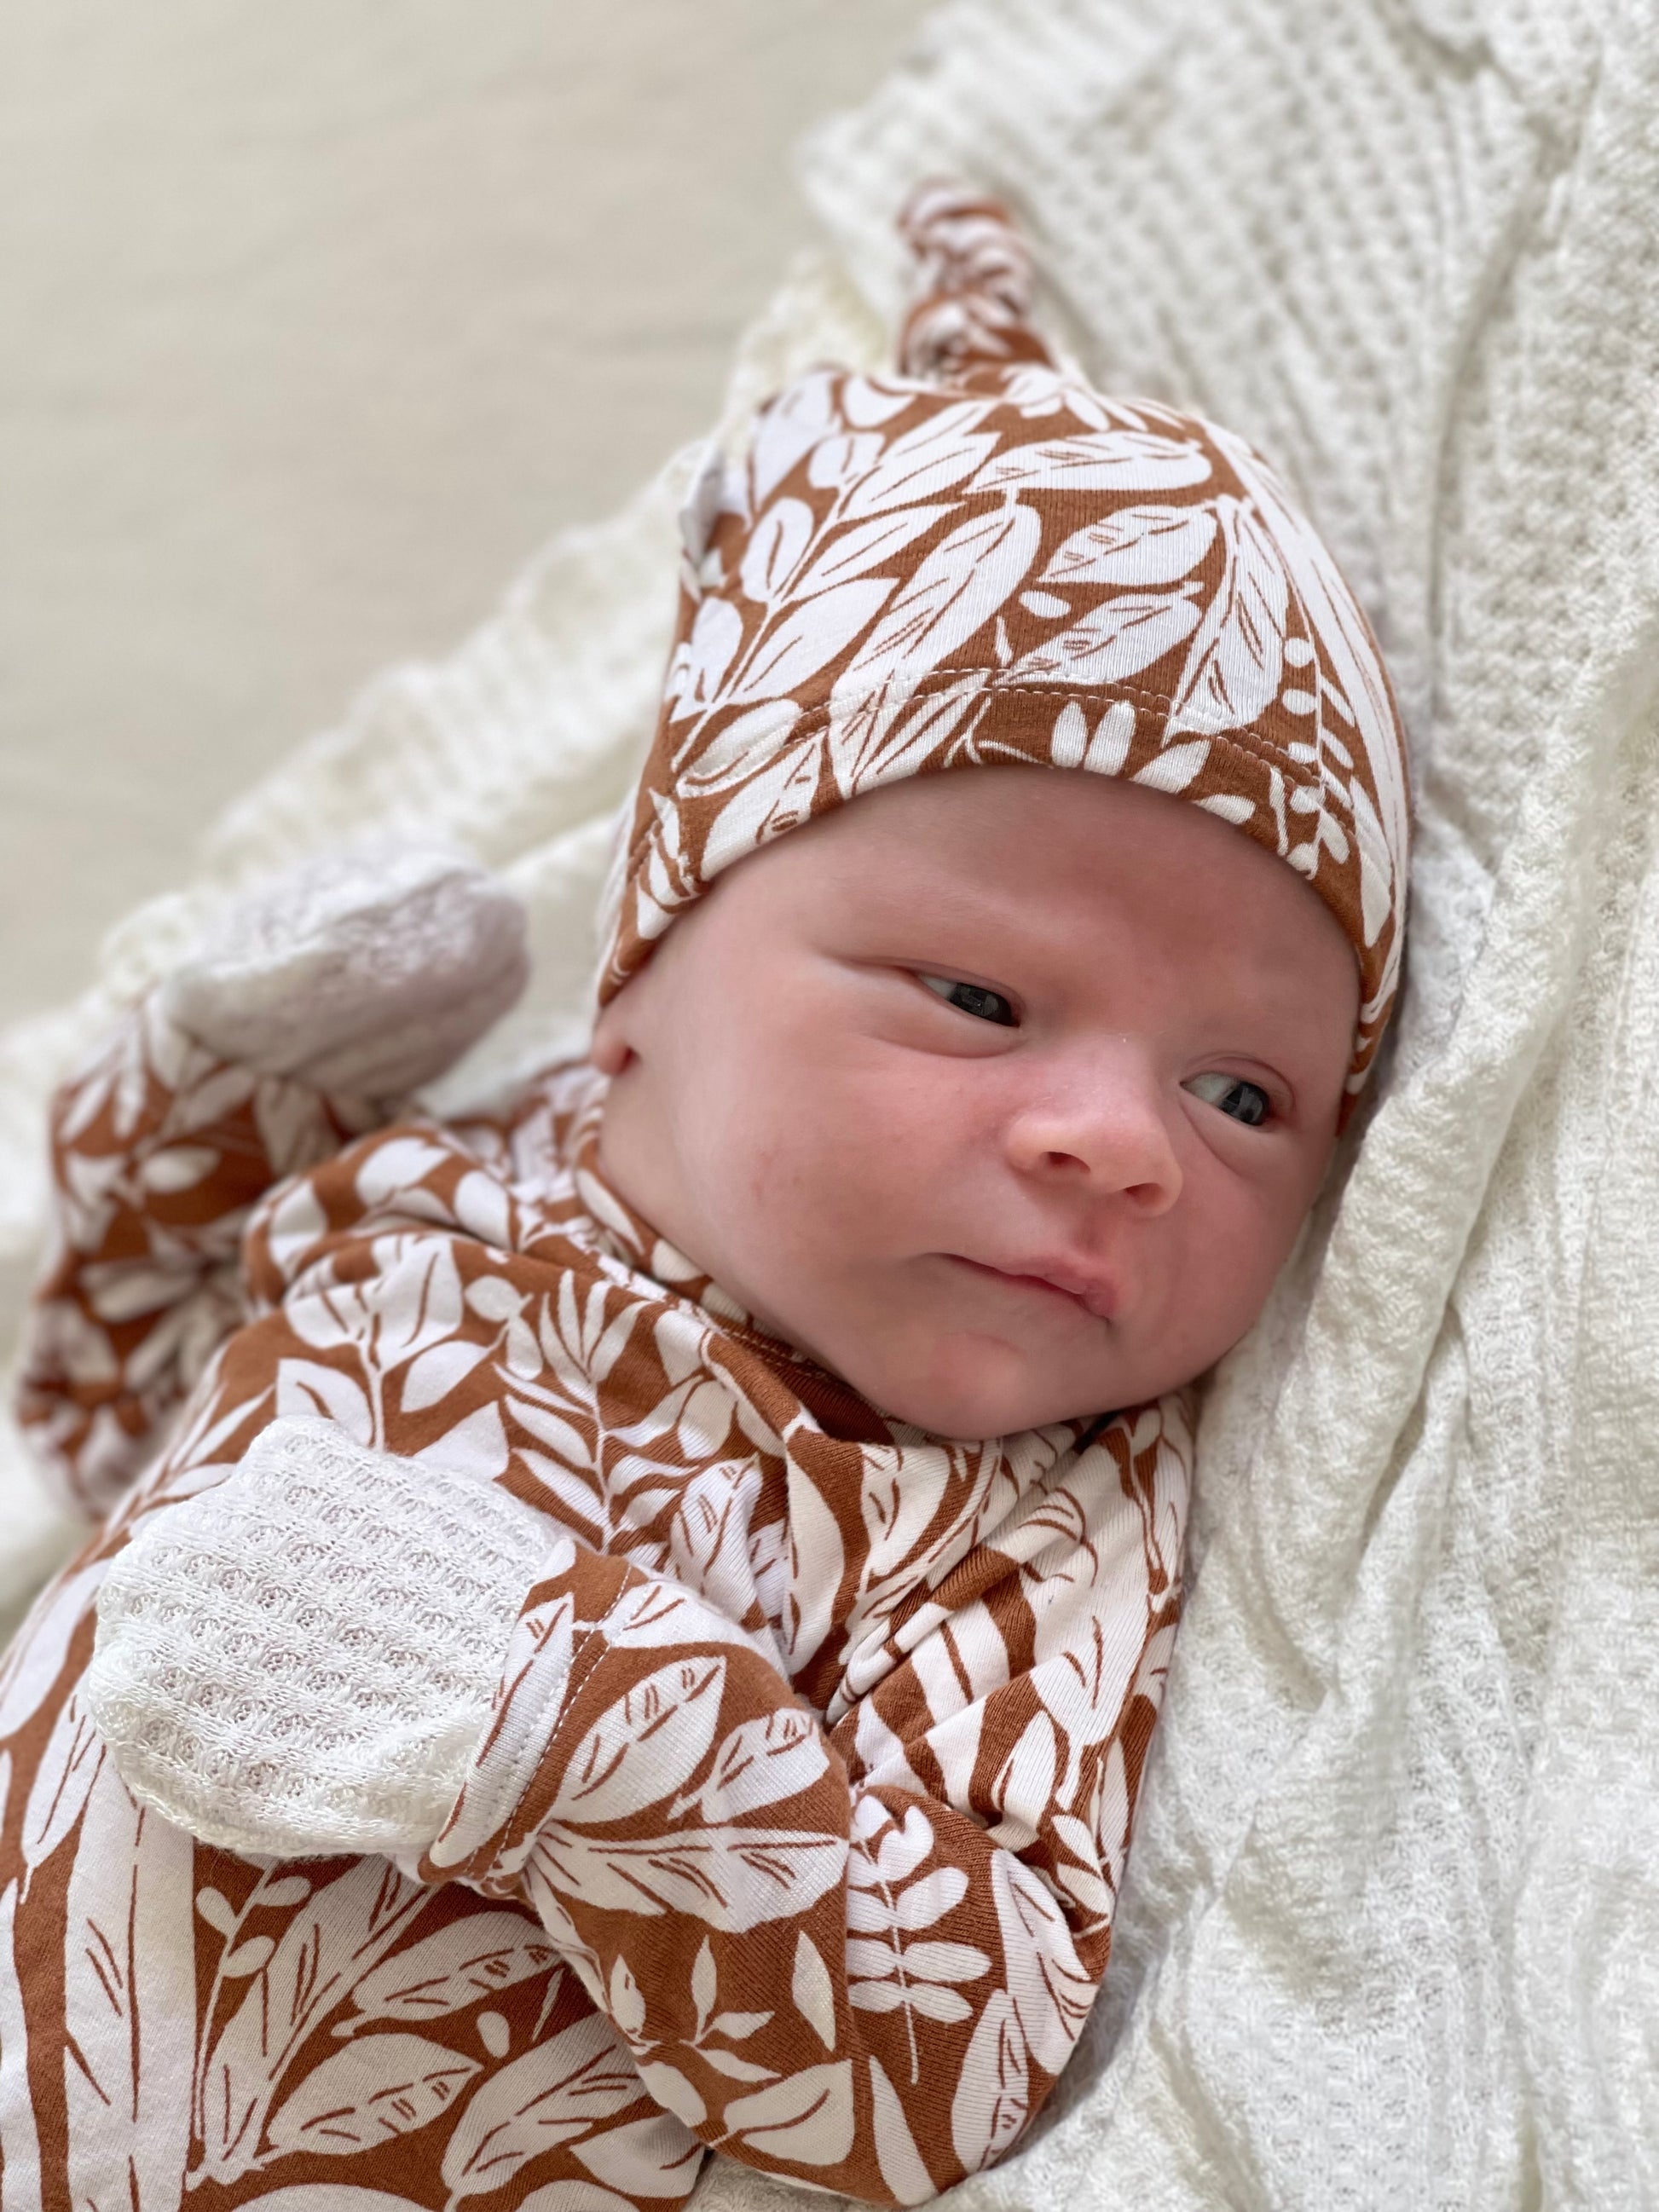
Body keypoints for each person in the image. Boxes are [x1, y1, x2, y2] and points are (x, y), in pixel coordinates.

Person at [2, 183, 1409, 2209]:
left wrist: (576, 1718)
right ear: (639, 978)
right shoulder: (445, 1188)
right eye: (978, 997)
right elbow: (105, 1401)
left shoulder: (1028, 1521)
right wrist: (222, 1090)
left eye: (1243, 1094)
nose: (1122, 1138)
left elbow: (946, 2061)